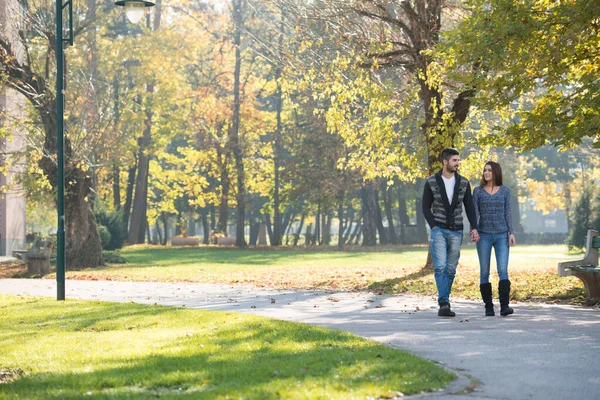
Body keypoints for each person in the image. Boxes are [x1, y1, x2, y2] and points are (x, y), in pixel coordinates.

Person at [422, 148, 479, 317]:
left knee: (451, 269)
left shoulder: (463, 182)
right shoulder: (432, 181)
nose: (457, 163)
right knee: (440, 267)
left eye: (458, 160)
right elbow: (425, 206)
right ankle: (444, 303)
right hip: (438, 229)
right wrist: (433, 226)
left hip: (456, 230)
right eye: (454, 160)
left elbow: (469, 207)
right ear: (445, 162)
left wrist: (473, 227)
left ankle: (444, 300)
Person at [472, 161, 516, 317]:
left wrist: (511, 232)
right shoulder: (477, 191)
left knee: (503, 271)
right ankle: (488, 307)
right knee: (484, 272)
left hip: (502, 235)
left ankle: (505, 306)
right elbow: (474, 213)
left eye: (489, 170)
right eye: (485, 170)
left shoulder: (505, 191)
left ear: (496, 172)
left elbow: (508, 212)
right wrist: (474, 230)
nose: (486, 173)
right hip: (483, 235)